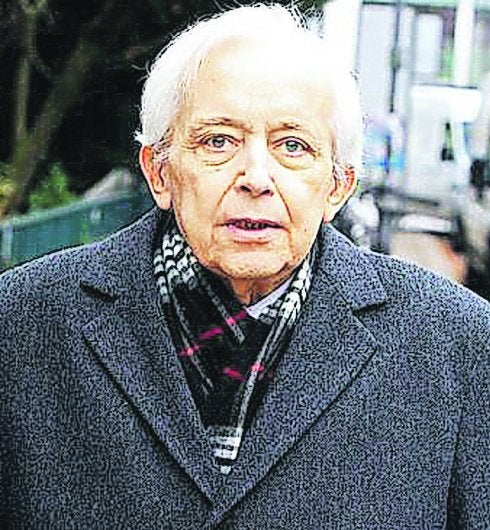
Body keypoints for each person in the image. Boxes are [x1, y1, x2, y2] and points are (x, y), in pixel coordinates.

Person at [1, 5, 489, 528]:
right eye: (218, 141)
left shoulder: (458, 343)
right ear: (159, 172)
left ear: (338, 186)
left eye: (293, 146)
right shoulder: (22, 322)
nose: (256, 177)